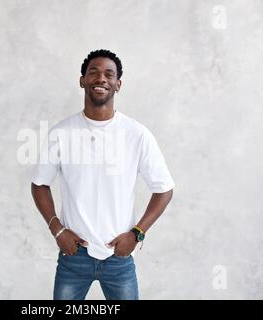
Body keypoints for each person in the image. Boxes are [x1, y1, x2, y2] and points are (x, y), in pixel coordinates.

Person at [30, 49, 175, 300]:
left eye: (109, 74)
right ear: (82, 80)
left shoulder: (136, 134)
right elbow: (39, 183)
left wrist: (137, 233)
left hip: (118, 257)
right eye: (93, 72)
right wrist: (57, 230)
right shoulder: (62, 133)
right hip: (74, 256)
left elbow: (164, 189)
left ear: (118, 84)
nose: (101, 79)